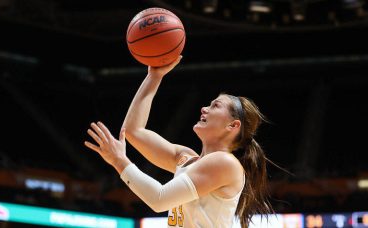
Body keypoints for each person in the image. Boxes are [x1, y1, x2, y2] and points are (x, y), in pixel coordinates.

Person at [84, 56, 273, 228]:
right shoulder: (186, 158)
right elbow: (133, 131)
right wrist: (154, 76)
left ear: (233, 125)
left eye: (215, 105)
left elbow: (159, 199)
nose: (204, 108)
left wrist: (119, 161)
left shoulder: (225, 163)